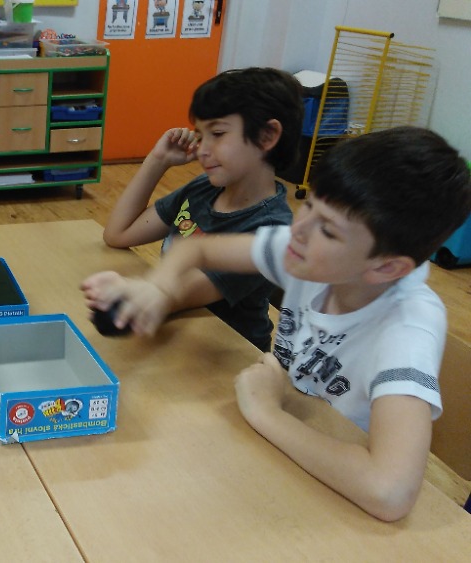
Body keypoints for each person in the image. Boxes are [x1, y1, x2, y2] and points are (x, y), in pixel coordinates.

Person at [82, 126, 471, 521]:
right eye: (310, 204)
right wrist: (155, 289)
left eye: (327, 229)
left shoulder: (406, 329)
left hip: (337, 495)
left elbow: (388, 491)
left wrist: (267, 412)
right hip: (283, 449)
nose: (298, 229)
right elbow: (198, 249)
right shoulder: (309, 252)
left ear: (387, 267)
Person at [101, 67, 303, 351]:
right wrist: (158, 161)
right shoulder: (203, 189)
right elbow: (118, 234)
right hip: (180, 333)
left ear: (267, 136)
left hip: (226, 353)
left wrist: (126, 292)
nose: (202, 149)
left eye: (217, 133)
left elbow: (177, 295)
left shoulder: (268, 229)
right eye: (200, 135)